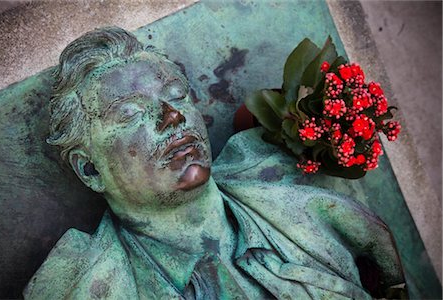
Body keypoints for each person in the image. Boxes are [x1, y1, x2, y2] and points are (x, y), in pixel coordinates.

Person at [24, 27, 405, 299]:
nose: (173, 116)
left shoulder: (308, 206)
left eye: (177, 95)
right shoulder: (87, 289)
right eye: (131, 114)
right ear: (90, 169)